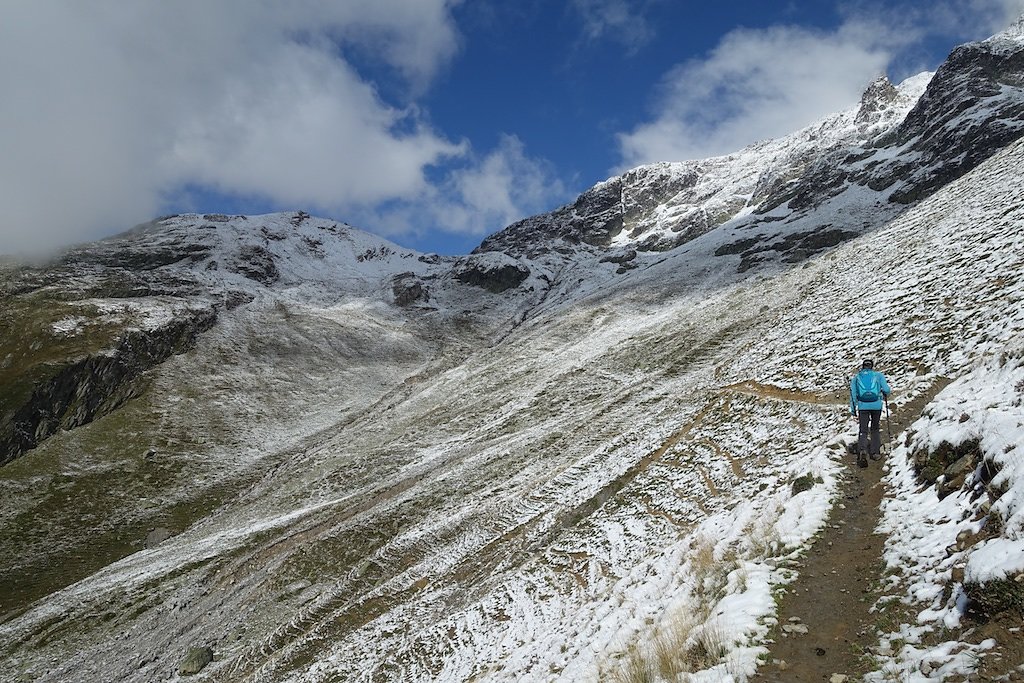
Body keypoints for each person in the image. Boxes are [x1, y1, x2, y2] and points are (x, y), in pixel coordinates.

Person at [849, 359, 891, 467]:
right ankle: (875, 452)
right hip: (876, 405)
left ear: (862, 367)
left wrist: (853, 410)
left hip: (863, 406)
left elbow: (853, 395)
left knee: (863, 429)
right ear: (872, 366)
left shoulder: (856, 378)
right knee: (875, 428)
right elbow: (886, 390)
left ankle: (862, 450)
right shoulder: (878, 375)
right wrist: (883, 393)